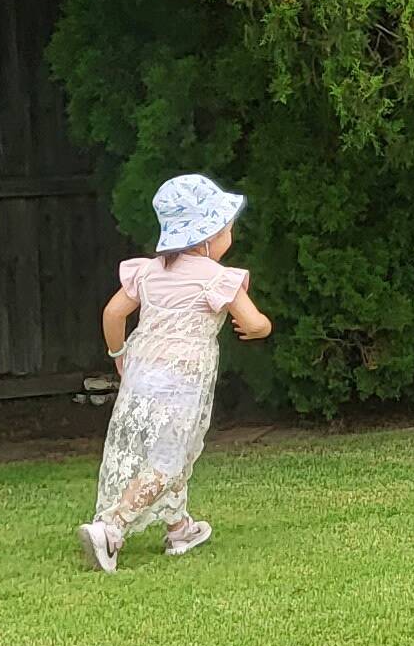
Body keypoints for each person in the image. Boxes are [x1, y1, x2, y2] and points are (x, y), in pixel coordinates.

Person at [82, 173, 273, 572]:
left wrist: (118, 352)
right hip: (182, 380)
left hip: (142, 373)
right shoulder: (218, 278)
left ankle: (179, 527)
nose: (230, 236)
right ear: (206, 237)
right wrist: (258, 329)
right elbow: (254, 322)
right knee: (169, 455)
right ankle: (111, 528)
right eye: (226, 229)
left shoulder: (148, 271)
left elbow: (114, 313)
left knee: (163, 447)